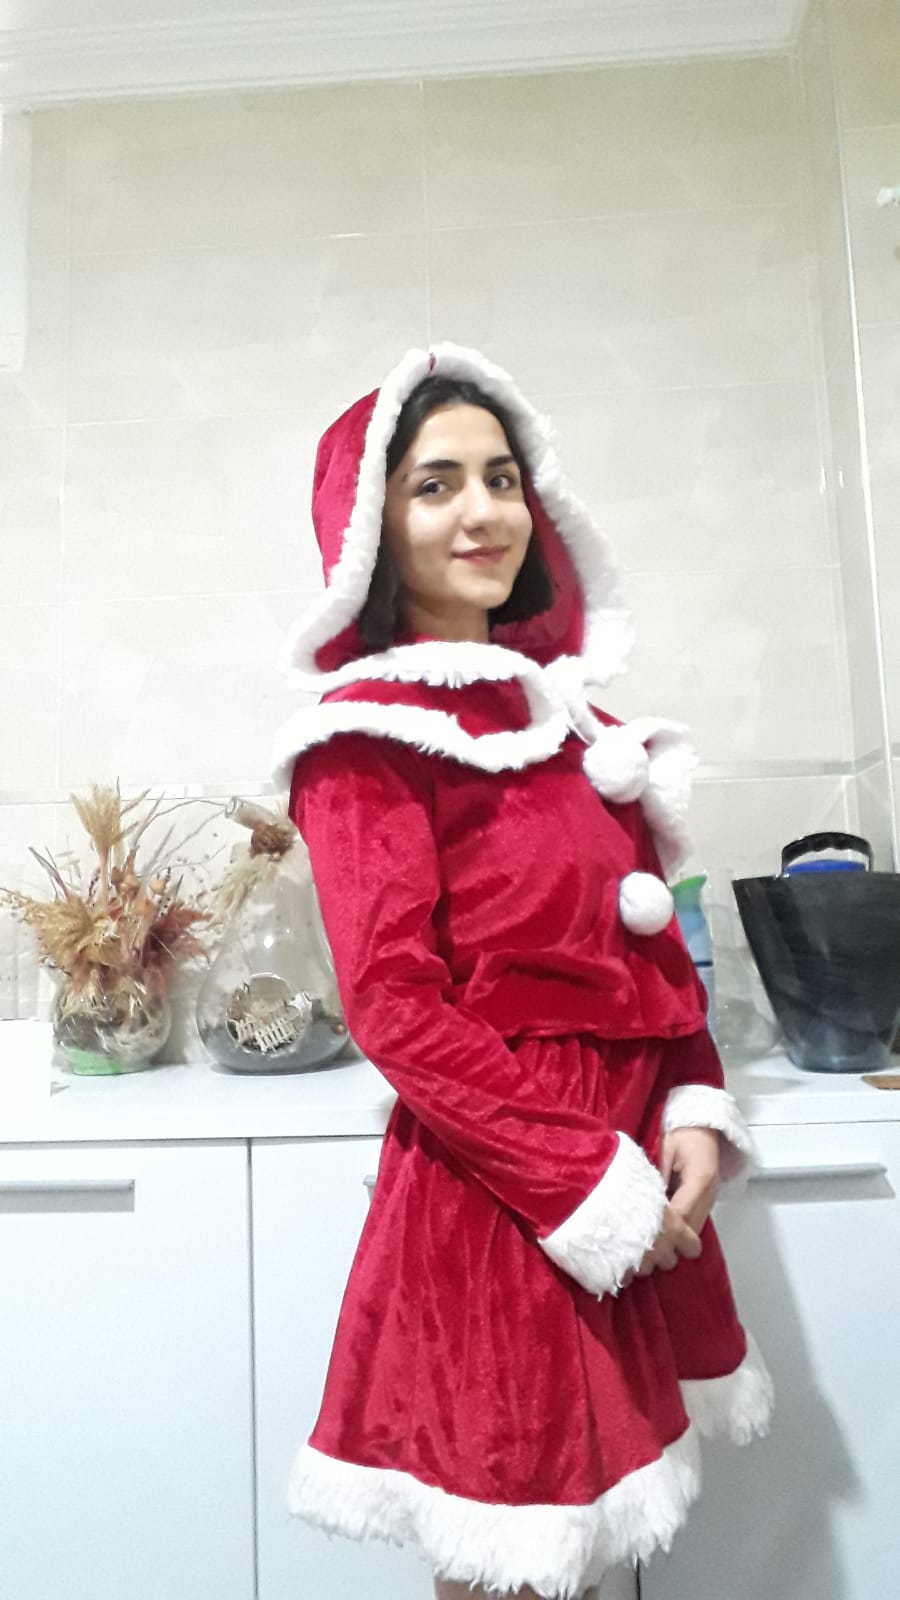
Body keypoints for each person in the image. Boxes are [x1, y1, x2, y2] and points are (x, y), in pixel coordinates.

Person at [273, 342, 773, 1600]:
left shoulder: (575, 728)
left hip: (625, 1171)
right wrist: (586, 1184)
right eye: (435, 483)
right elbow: (394, 1007)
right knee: (513, 1563)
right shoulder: (367, 737)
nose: (482, 510)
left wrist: (693, 1103)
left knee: (582, 1561)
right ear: (371, 526)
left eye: (501, 476)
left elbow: (646, 950)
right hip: (509, 1198)